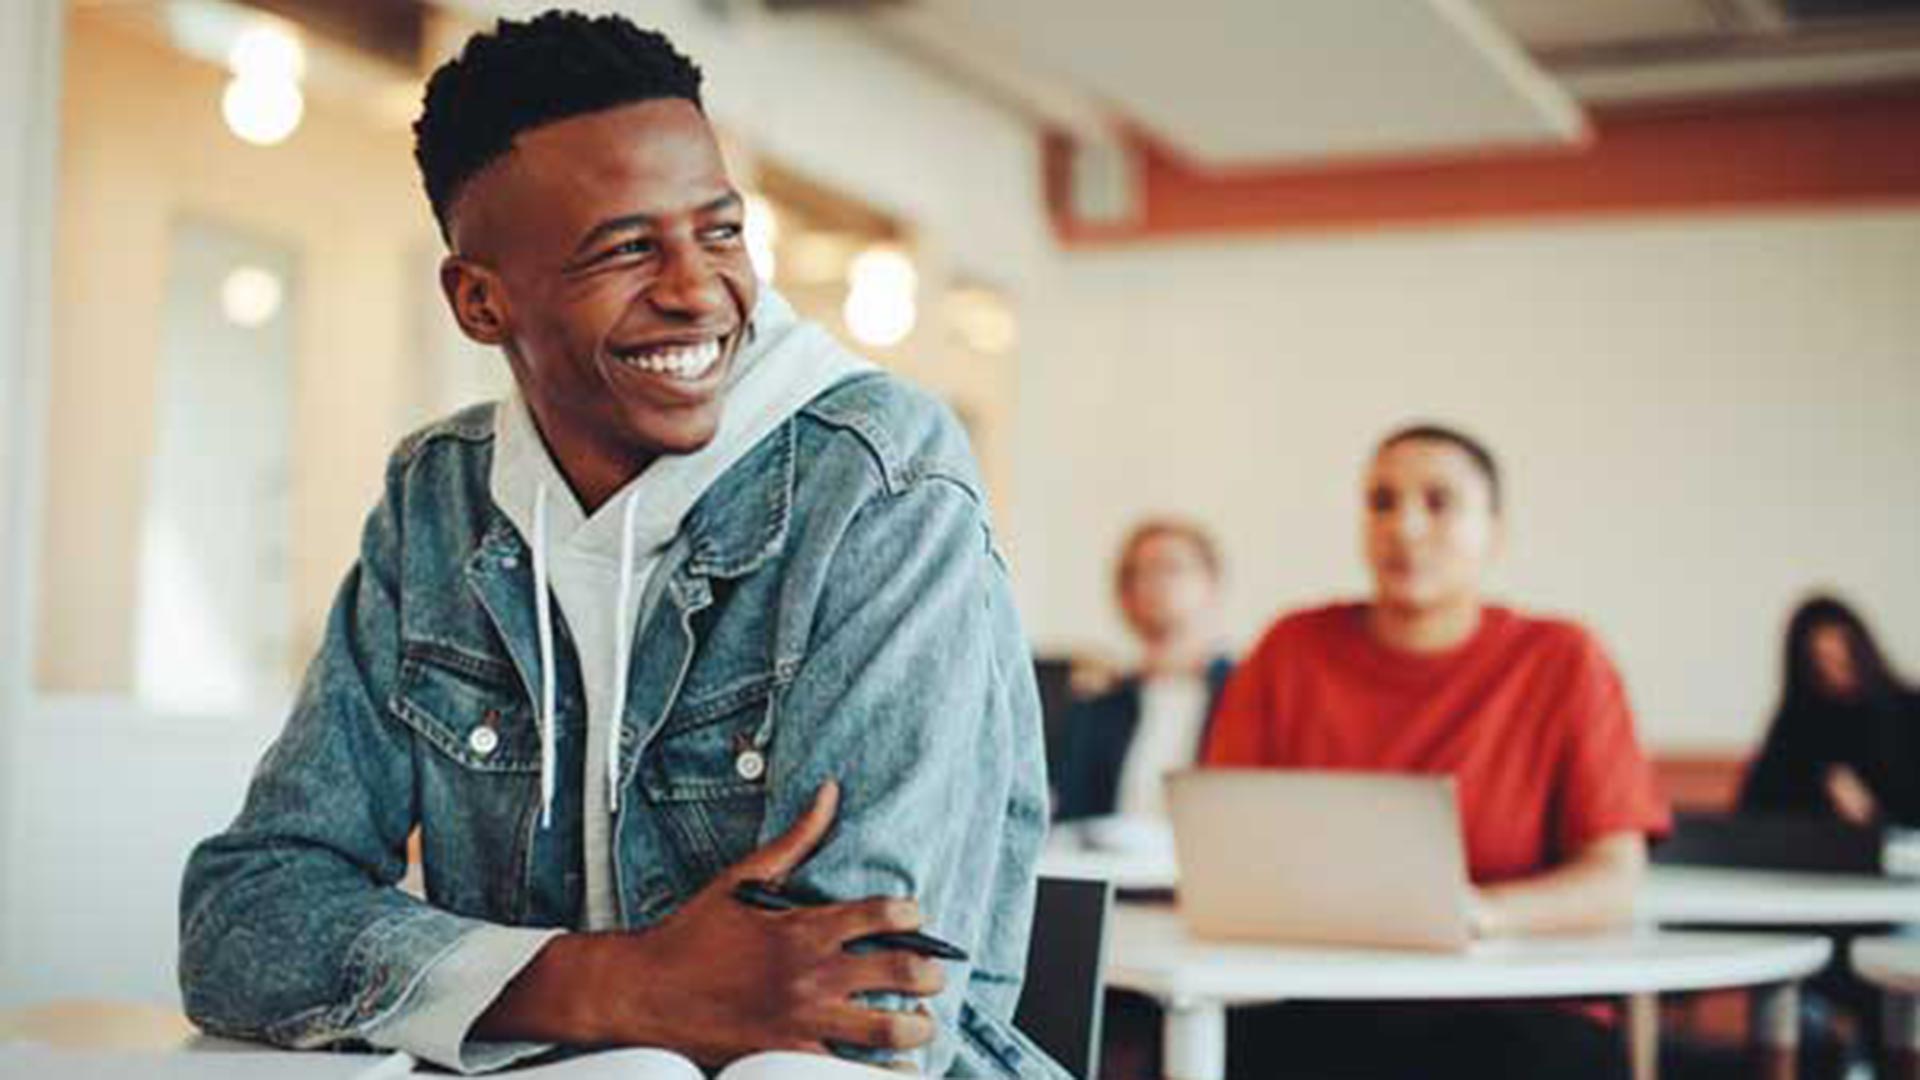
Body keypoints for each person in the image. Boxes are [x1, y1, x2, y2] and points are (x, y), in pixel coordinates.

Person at [177, 13, 1061, 1078]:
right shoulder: (440, 499)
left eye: (721, 231)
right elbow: (244, 920)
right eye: (628, 248)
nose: (698, 290)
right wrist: (617, 982)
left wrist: (504, 987)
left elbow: (856, 1007)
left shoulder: (879, 476)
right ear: (478, 301)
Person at [1201, 423, 1672, 1080]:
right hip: (1320, 996)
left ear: (1496, 533)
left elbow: (1615, 879)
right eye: (1382, 502)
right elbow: (1225, 846)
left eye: (1440, 502)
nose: (1406, 527)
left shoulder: (1564, 660)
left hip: (1515, 1003)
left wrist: (1487, 913)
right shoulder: (1290, 649)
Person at [1054, 519, 1233, 825]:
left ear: (1212, 583)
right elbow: (1072, 817)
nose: (1150, 583)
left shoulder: (1246, 695)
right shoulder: (1098, 706)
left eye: (1170, 568)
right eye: (1134, 574)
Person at [1741, 595, 1920, 827]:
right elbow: (1755, 814)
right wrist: (1820, 792)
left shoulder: (1908, 712)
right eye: (1822, 663)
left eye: (1844, 661)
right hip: (1814, 854)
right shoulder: (1795, 726)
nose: (1836, 674)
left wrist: (1874, 813)